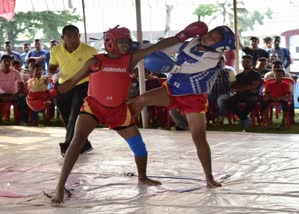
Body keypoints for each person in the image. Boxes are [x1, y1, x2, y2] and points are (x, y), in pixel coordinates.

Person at [50, 22, 208, 204]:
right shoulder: (96, 60)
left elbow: (157, 47)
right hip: (93, 107)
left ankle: (142, 177)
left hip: (118, 110)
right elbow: (72, 81)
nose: (126, 45)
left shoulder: (130, 59)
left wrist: (183, 35)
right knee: (77, 140)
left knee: (139, 147)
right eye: (122, 42)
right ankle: (60, 187)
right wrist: (52, 91)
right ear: (110, 42)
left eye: (127, 41)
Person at [130, 25, 236, 188]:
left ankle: (209, 177)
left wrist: (168, 66)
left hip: (194, 97)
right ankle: (121, 124)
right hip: (172, 89)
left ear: (220, 46)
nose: (209, 37)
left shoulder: (214, 59)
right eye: (210, 34)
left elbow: (188, 68)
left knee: (199, 137)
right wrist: (140, 46)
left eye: (215, 38)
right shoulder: (192, 42)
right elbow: (166, 47)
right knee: (141, 99)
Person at [48, 25, 98, 157]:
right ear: (62, 37)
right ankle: (84, 144)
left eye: (75, 35)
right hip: (63, 85)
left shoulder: (90, 50)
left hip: (83, 84)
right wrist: (53, 74)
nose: (73, 39)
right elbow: (52, 67)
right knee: (66, 116)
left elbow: (97, 69)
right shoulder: (55, 50)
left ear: (79, 36)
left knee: (75, 114)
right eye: (69, 36)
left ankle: (68, 146)